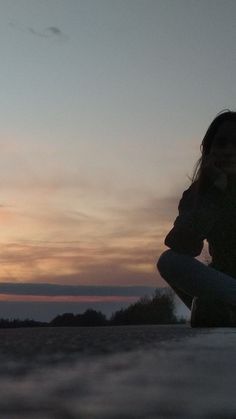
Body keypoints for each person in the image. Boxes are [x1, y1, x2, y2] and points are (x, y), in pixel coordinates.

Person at [156, 109, 236, 327]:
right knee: (169, 261)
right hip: (224, 283)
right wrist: (216, 193)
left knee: (208, 309)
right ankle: (221, 312)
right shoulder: (200, 193)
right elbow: (182, 245)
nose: (229, 150)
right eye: (221, 143)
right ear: (209, 151)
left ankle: (218, 312)